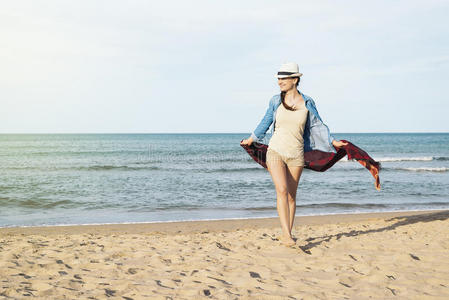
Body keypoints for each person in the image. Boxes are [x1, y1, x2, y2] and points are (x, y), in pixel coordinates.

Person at [240, 62, 348, 247]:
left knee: (291, 195)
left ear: (295, 80)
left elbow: (317, 126)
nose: (280, 82)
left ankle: (286, 234)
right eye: (278, 79)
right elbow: (266, 119)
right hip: (275, 151)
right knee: (281, 190)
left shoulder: (307, 102)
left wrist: (333, 141)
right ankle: (287, 235)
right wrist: (252, 138)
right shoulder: (275, 100)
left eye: (283, 78)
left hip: (296, 154)